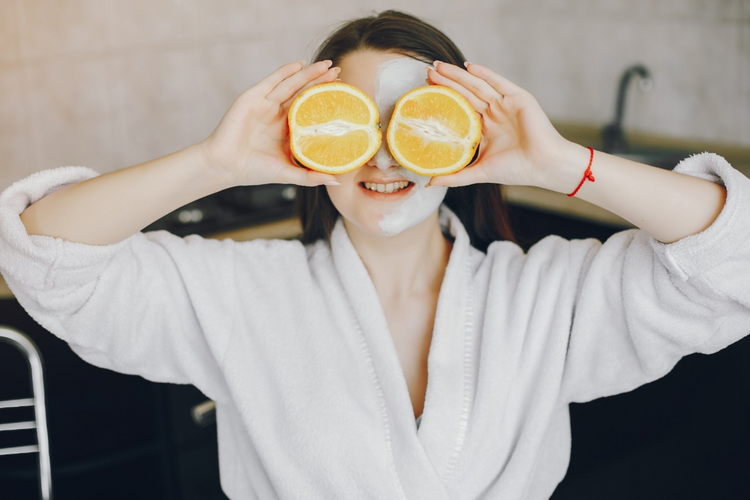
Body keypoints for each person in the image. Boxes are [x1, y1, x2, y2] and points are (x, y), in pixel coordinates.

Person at [0, 9, 748, 500]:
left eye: (415, 121)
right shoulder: (241, 295)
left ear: (463, 136)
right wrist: (212, 163)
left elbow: (733, 266)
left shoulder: (546, 298)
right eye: (355, 123)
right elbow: (42, 255)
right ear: (311, 134)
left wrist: (564, 166)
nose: (385, 154)